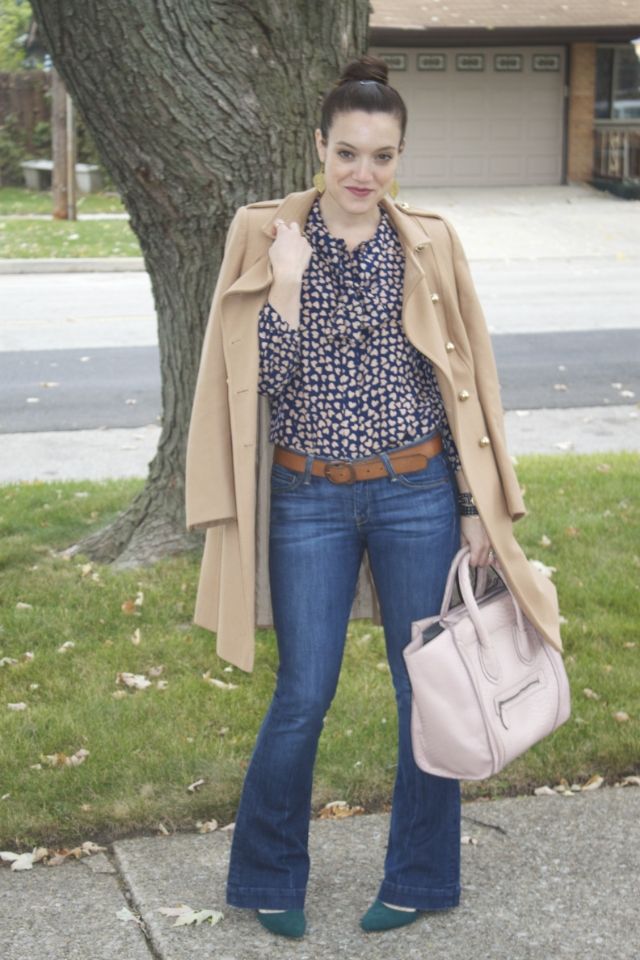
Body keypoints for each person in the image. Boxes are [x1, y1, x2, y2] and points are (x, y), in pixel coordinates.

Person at [185, 55, 561, 940]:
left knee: (428, 688)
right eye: (348, 152)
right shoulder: (265, 233)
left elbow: (456, 384)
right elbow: (257, 382)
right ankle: (268, 875)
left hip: (415, 491)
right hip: (307, 496)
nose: (363, 173)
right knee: (302, 693)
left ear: (400, 157)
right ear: (318, 146)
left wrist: (470, 504)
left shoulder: (427, 240)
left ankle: (421, 877)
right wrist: (284, 279)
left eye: (382, 156)